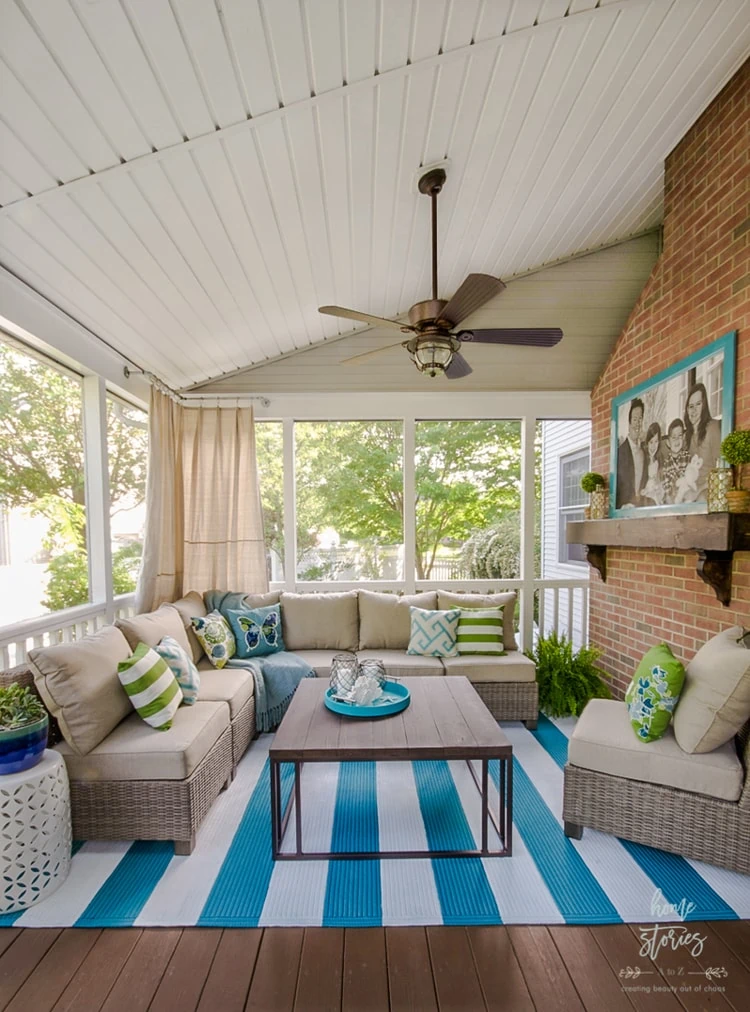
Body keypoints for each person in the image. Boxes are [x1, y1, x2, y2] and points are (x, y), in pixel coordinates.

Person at [683, 382, 722, 500]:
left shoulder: (712, 428)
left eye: (698, 404)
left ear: (704, 406)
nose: (694, 410)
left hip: (709, 491)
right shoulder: (686, 437)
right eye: (691, 406)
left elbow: (720, 468)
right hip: (691, 490)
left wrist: (698, 492)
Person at [616, 397, 645, 507]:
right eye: (635, 419)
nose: (638, 423)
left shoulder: (644, 452)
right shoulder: (620, 453)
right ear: (629, 422)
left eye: (640, 419)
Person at [661, 418, 691, 503]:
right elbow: (666, 486)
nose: (677, 440)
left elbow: (691, 479)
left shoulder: (688, 457)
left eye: (680, 436)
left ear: (683, 437)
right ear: (668, 442)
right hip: (671, 499)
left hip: (685, 496)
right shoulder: (666, 463)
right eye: (673, 437)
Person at [640, 421, 665, 505]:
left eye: (656, 442)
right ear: (647, 442)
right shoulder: (643, 458)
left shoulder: (660, 459)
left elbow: (661, 481)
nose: (653, 446)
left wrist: (659, 489)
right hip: (645, 496)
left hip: (656, 494)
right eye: (651, 442)